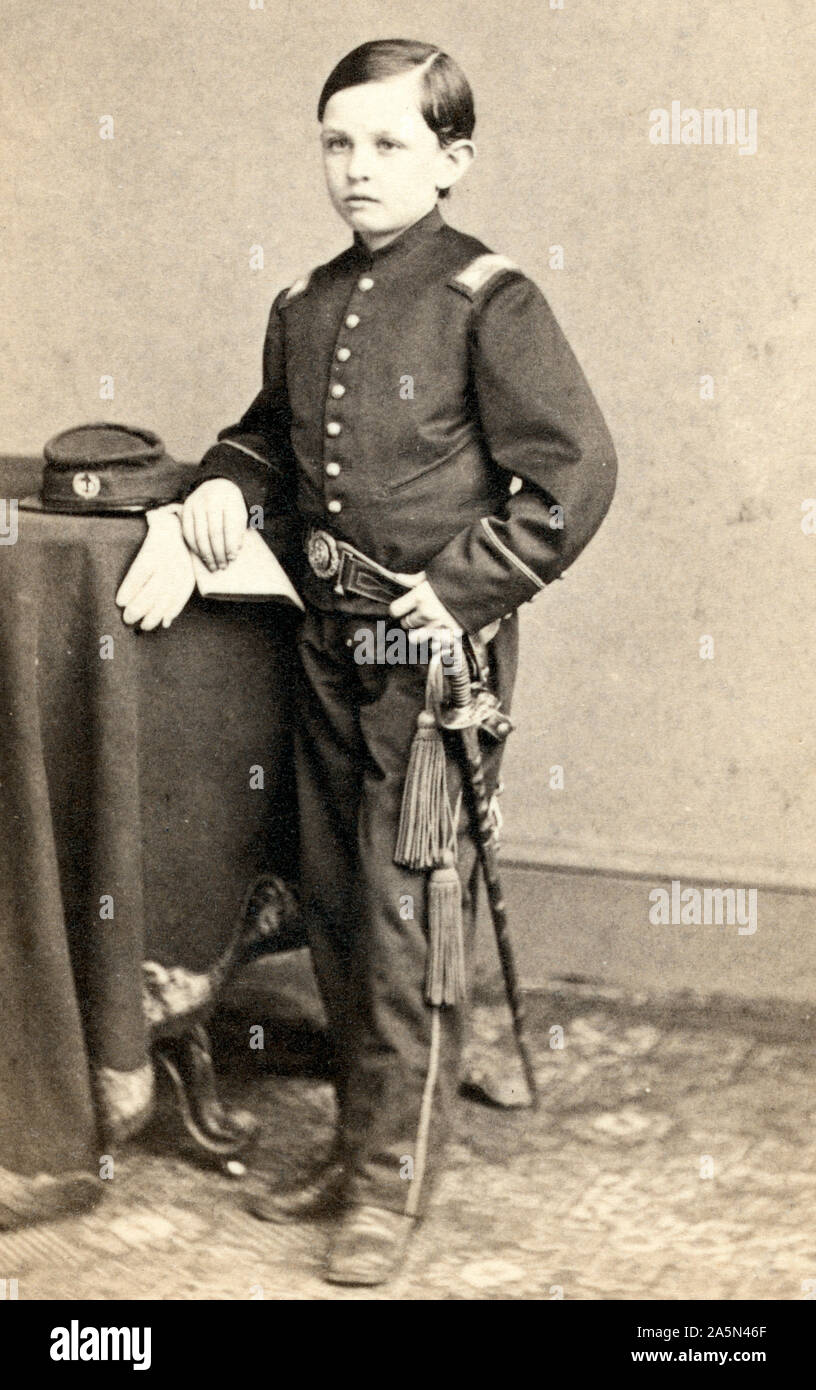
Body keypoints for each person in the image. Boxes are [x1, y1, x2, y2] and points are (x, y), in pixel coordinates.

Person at [181, 38, 617, 1285]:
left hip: (435, 670)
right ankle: (361, 1143)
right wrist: (224, 477)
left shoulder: (490, 298)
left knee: (402, 916)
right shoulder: (308, 303)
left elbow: (576, 472)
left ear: (451, 159)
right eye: (337, 141)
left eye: (387, 144)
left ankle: (389, 1186)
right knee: (331, 905)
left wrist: (464, 586)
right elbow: (267, 437)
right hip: (325, 651)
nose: (356, 168)